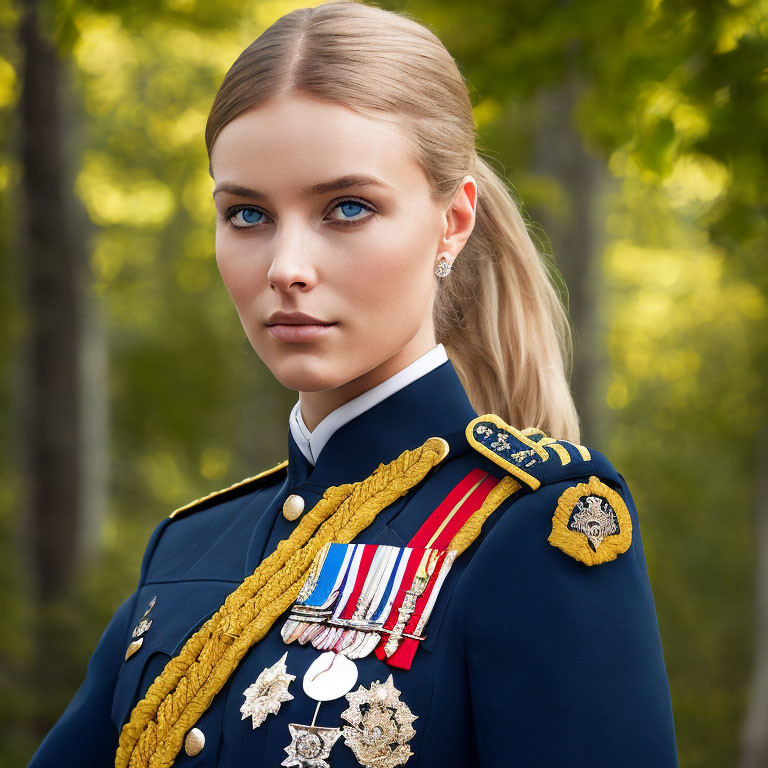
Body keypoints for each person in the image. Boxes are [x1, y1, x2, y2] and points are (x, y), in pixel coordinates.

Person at [28, 2, 678, 766]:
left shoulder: (530, 528)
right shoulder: (190, 548)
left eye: (346, 208)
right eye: (246, 214)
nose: (285, 268)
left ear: (452, 223)